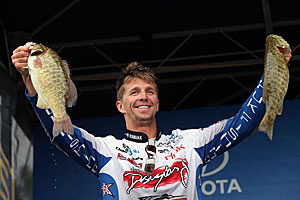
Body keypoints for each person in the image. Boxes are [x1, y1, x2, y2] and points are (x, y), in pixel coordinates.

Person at [11, 45, 292, 199]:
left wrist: (273, 72)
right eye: (134, 92)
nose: (143, 97)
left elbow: (242, 124)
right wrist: (32, 83)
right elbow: (61, 133)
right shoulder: (105, 149)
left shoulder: (189, 143)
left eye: (149, 92)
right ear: (120, 106)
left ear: (157, 103)